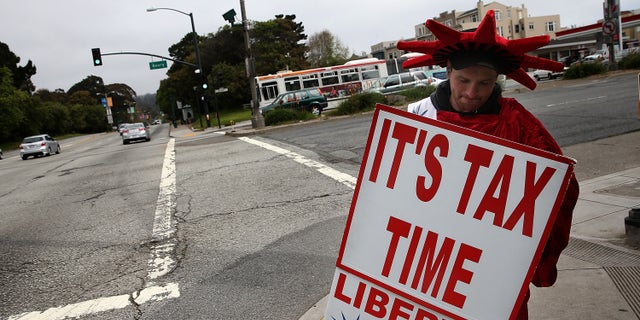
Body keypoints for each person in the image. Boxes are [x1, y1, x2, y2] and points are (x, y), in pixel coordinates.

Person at [398, 10, 580, 320]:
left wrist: (537, 254)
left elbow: (559, 186)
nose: (472, 93)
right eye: (463, 80)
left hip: (495, 261)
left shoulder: (516, 120)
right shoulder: (417, 117)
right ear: (447, 70)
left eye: (484, 83)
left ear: (496, 80)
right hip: (433, 257)